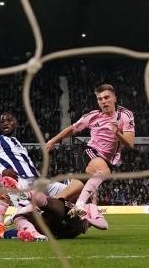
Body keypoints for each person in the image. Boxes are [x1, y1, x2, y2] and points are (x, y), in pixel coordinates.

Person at [46, 84, 135, 214]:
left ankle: (31, 211)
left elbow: (130, 143)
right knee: (103, 171)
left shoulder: (126, 115)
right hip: (88, 153)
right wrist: (53, 140)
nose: (103, 101)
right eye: (100, 99)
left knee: (63, 197)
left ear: (114, 98)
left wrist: (117, 133)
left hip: (107, 161)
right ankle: (80, 205)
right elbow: (72, 128)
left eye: (106, 97)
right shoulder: (93, 116)